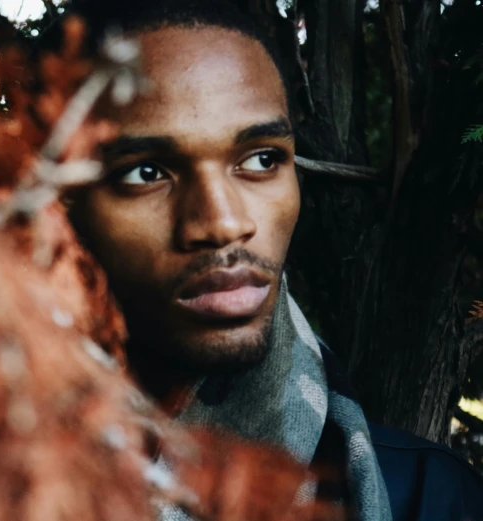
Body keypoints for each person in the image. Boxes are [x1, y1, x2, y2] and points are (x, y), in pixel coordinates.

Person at [48, 1, 483, 520]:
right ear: (54, 204)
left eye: (260, 159)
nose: (224, 222)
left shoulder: (428, 498)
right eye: (146, 172)